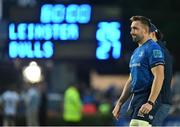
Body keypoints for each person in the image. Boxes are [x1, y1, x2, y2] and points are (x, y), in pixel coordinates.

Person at [112, 15, 165, 126]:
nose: (132, 32)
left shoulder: (153, 48)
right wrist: (120, 103)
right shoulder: (136, 52)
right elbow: (131, 80)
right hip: (137, 98)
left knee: (137, 124)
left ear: (145, 30)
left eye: (135, 28)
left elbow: (159, 76)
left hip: (148, 97)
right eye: (131, 28)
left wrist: (150, 102)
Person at [149, 23, 173, 126]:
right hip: (157, 102)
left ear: (153, 34)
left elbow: (160, 77)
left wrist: (150, 102)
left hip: (159, 102)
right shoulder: (156, 49)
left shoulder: (158, 51)